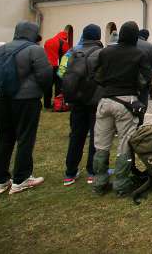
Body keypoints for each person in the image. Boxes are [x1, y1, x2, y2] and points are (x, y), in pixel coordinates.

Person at [0, 21, 53, 195]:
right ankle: (21, 178)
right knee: (25, 137)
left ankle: (0, 180)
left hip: (2, 99)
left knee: (4, 138)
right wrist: (41, 90)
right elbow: (46, 75)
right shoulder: (35, 50)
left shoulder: (2, 49)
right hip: (26, 100)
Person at [92, 21, 151, 196]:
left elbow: (96, 74)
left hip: (105, 100)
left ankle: (99, 183)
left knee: (101, 144)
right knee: (124, 143)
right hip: (126, 101)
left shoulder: (105, 52)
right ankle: (121, 184)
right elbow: (145, 79)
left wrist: (108, 84)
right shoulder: (138, 54)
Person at [63, 24, 102, 186]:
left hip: (76, 101)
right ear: (98, 36)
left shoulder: (71, 53)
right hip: (94, 100)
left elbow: (61, 72)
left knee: (76, 136)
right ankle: (92, 171)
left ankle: (70, 172)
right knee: (96, 136)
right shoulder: (101, 53)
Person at [43, 28, 70, 109]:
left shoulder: (48, 41)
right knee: (58, 86)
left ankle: (46, 104)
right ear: (65, 37)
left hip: (47, 66)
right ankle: (57, 104)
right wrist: (65, 68)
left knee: (48, 86)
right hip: (58, 66)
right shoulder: (64, 43)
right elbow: (66, 56)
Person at [136, 29, 152, 113]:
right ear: (146, 36)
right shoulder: (150, 46)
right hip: (145, 79)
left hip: (131, 77)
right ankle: (140, 118)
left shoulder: (131, 44)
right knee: (143, 100)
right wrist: (151, 73)